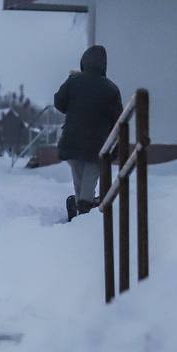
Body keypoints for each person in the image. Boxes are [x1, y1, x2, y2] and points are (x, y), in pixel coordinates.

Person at [54, 45, 123, 221]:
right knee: (90, 176)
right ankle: (84, 209)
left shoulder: (74, 81)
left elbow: (59, 103)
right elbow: (118, 120)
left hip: (72, 141)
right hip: (97, 144)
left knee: (79, 176)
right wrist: (117, 145)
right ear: (103, 65)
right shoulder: (111, 89)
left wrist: (71, 81)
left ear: (84, 62)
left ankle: (80, 209)